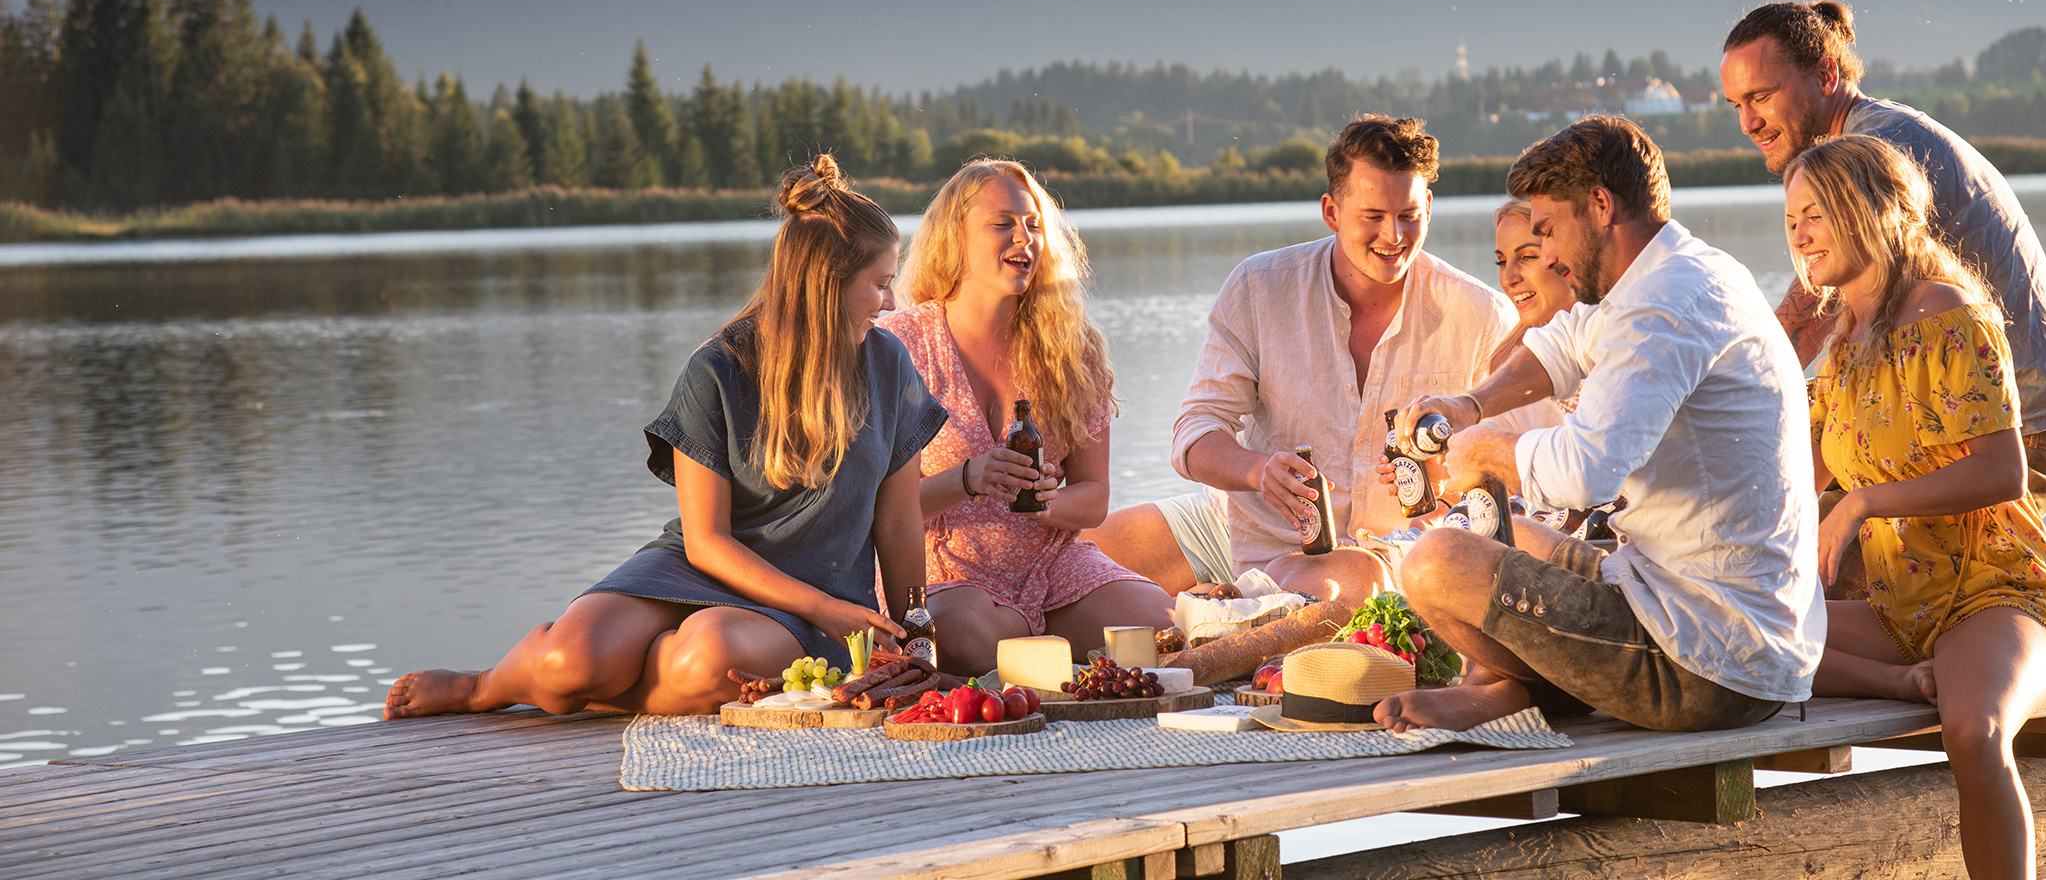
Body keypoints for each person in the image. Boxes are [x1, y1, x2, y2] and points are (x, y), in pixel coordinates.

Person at [384, 156, 942, 718]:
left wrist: (915, 644)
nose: (891, 303)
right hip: (703, 568)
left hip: (819, 598)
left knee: (705, 657)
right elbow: (706, 542)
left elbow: (897, 524)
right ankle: (487, 686)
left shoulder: (888, 366)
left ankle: (603, 688)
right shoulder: (718, 368)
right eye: (881, 284)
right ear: (826, 286)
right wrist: (822, 608)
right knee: (567, 661)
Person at [1376, 115, 1826, 734]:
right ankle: (1521, 690)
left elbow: (1588, 472)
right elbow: (1561, 347)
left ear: (1599, 205)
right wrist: (1467, 407)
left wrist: (1485, 451)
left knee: (1434, 563)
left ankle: (1522, 694)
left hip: (1708, 664)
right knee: (1524, 538)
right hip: (1688, 608)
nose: (1549, 255)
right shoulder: (1676, 271)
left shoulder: (1662, 306)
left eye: (1548, 232)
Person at [1720, 0, 2046, 658]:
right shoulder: (1857, 147)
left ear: (1826, 75)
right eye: (1735, 105)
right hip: (1929, 440)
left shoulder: (1878, 151)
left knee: (1802, 577)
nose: (1748, 121)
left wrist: (1720, 407)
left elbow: (1802, 317)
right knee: (1771, 546)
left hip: (2012, 444)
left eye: (1761, 96)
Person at [1787, 134, 2046, 880]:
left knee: (1974, 731)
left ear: (1873, 212)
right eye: (1791, 217)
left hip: (1992, 592)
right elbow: (1798, 474)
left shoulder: (1949, 314)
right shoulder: (1845, 341)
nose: (1799, 232)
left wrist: (1861, 503)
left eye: (1817, 212)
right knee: (1742, 648)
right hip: (1898, 607)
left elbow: (2005, 471)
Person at [1081, 116, 1514, 602]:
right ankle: (1232, 602)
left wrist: (1450, 475)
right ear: (1331, 211)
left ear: (1429, 208)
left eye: (1409, 215)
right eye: (1372, 216)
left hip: (1398, 558)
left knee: (1339, 583)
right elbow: (1195, 433)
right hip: (1240, 530)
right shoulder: (1259, 286)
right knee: (1075, 560)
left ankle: (1231, 609)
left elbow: (1518, 474)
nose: (1393, 236)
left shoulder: (1481, 313)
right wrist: (1256, 471)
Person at [881, 159, 1173, 677]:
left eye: (1034, 224)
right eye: (1003, 224)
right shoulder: (900, 344)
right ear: (955, 239)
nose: (1025, 238)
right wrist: (968, 480)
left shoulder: (1071, 348)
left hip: (1052, 565)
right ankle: (1054, 655)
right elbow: (872, 509)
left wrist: (1046, 505)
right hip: (944, 572)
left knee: (1160, 626)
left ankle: (1033, 656)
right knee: (961, 638)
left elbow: (1094, 498)